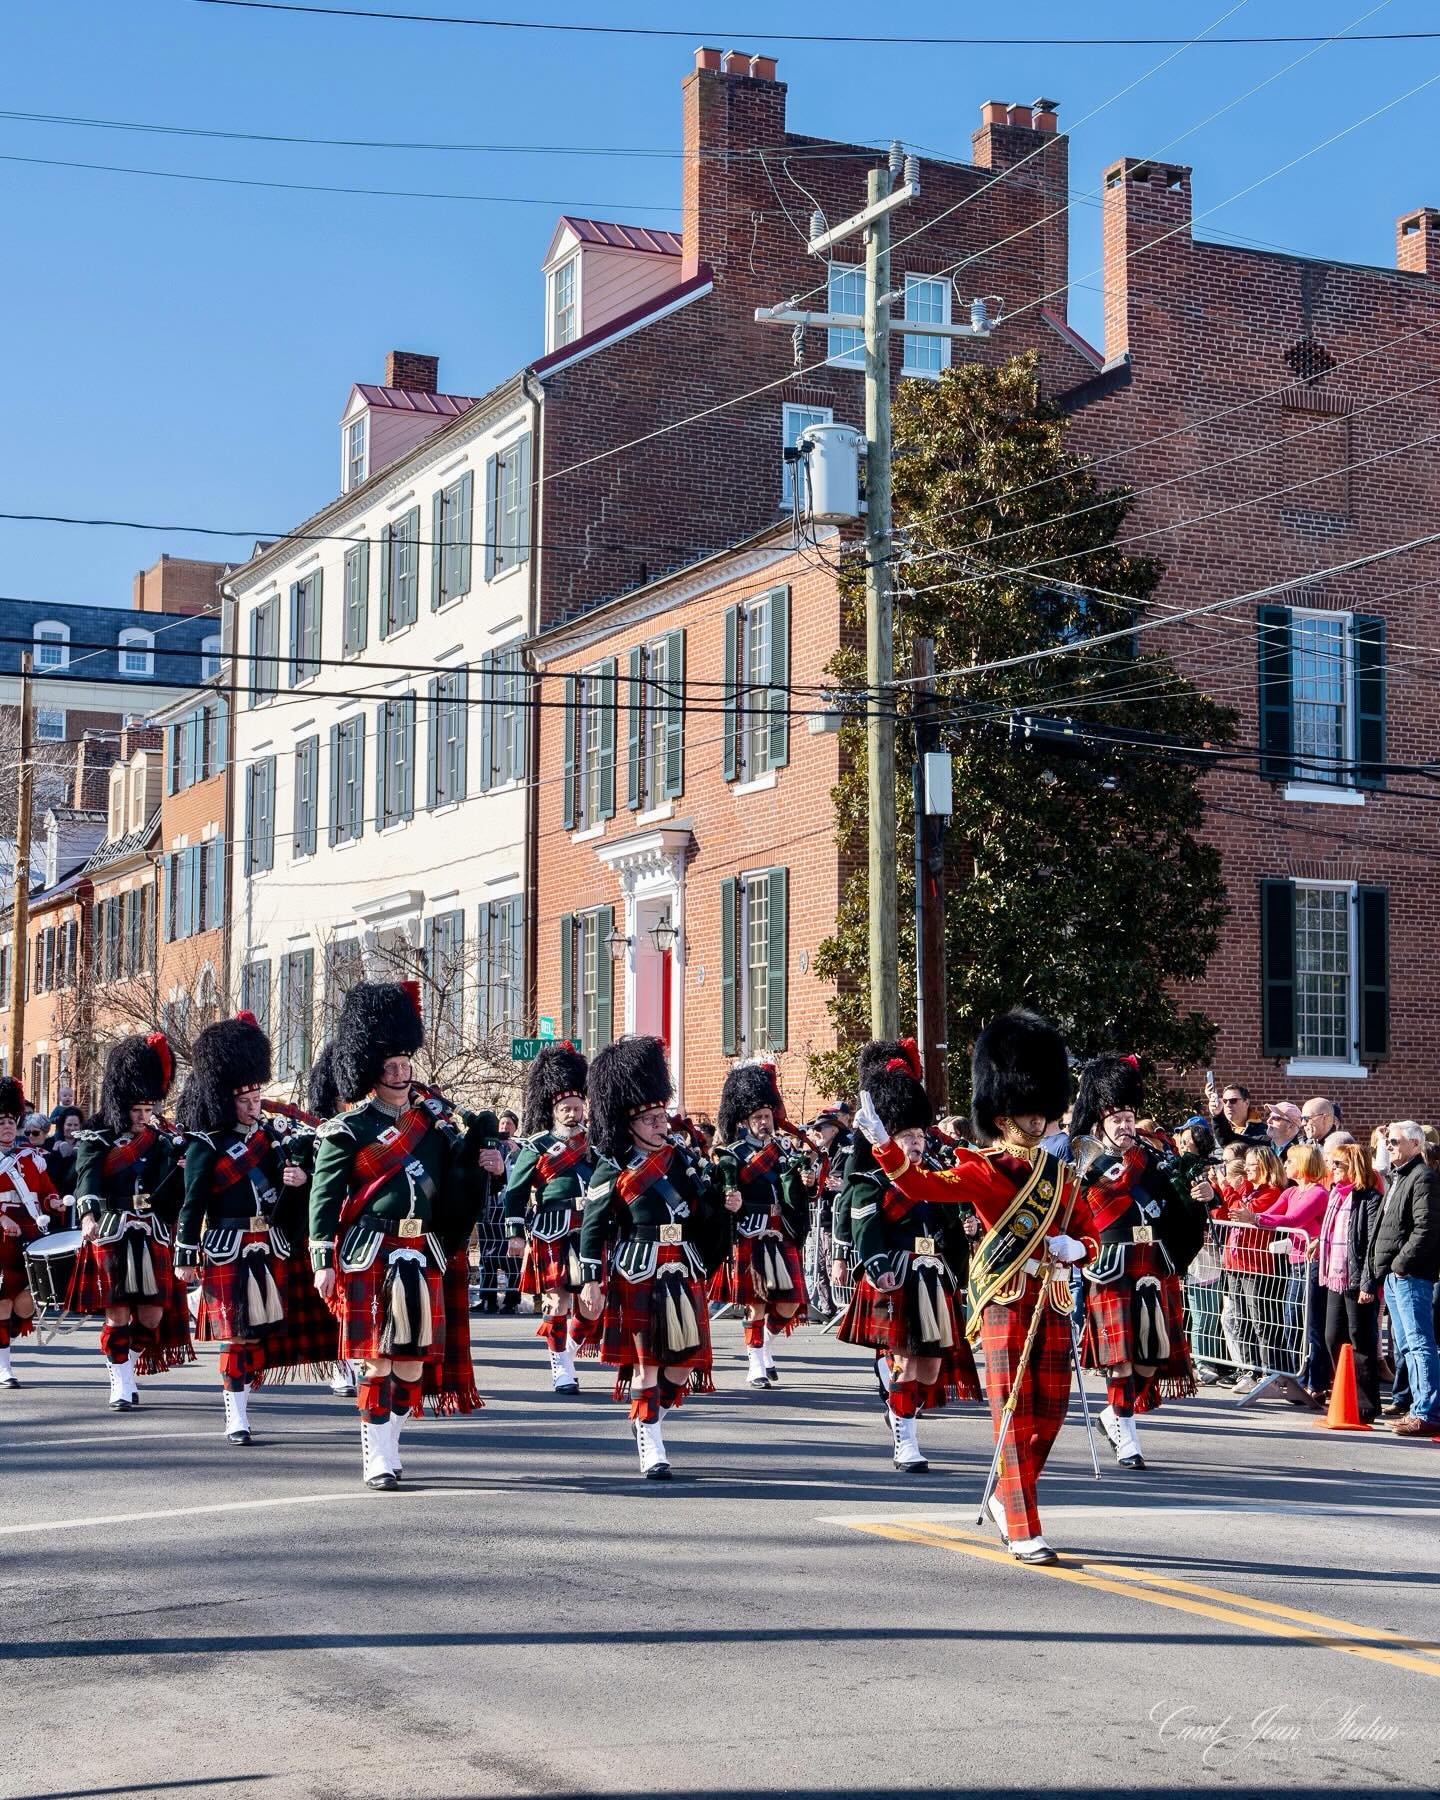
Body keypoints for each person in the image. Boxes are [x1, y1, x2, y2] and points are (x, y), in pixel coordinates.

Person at [856, 1010, 1096, 1565]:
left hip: (1053, 1299)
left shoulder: (1061, 1175)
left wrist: (1078, 1249)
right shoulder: (984, 1169)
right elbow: (921, 1185)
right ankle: (1024, 1525)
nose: (1038, 1120)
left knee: (1051, 1412)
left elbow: (1091, 1234)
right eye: (1028, 1111)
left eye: (1043, 1111)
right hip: (1007, 1299)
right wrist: (883, 1144)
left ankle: (1006, 1494)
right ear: (1002, 1114)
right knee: (1013, 1412)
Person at [309, 982, 496, 1489]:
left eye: (404, 1064)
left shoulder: (435, 1126)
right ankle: (378, 1457)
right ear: (371, 1070)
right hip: (371, 1249)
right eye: (390, 1066)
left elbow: (458, 1181)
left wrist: (487, 1162)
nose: (399, 1074)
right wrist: (323, 1261)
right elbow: (323, 1198)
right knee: (378, 1361)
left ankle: (389, 1441)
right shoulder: (347, 1129)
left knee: (411, 1367)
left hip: (420, 1249)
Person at [579, 1034, 728, 1479]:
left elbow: (704, 1212)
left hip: (682, 1263)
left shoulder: (683, 1160)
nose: (661, 1125)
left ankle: (648, 1419)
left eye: (662, 1116)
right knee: (648, 1363)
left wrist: (723, 1204)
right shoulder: (612, 1167)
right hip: (638, 1267)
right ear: (631, 1124)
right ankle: (652, 1443)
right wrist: (590, 1279)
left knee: (683, 1364)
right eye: (651, 1119)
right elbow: (593, 1225)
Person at [836, 1044, 981, 1473]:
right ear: (890, 1142)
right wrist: (877, 1268)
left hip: (934, 1277)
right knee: (906, 1361)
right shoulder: (872, 1181)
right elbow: (866, 1229)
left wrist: (962, 1257)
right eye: (907, 1137)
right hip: (899, 1276)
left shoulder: (935, 1177)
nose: (916, 1143)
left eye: (919, 1136)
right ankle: (906, 1441)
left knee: (931, 1369)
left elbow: (950, 1231)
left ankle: (900, 1410)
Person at [173, 1014, 307, 1446]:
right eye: (245, 1100)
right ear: (226, 1101)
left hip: (269, 1243)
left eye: (256, 1098)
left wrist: (299, 1181)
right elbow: (192, 1202)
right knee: (235, 1335)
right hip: (226, 1244)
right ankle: (236, 1416)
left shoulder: (272, 1139)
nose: (254, 1106)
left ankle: (244, 1402)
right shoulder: (206, 1145)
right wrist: (185, 1254)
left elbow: (286, 1194)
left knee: (257, 1337)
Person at [1068, 1056, 1200, 1471]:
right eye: (1117, 1119)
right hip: (1109, 1265)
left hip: (1152, 1265)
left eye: (1129, 1118)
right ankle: (1126, 1432)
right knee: (1120, 1356)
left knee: (1150, 1356)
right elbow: (1068, 1213)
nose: (1126, 1126)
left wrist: (1201, 1200)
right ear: (1100, 1122)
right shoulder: (1084, 1162)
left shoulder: (1153, 1160)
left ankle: (1114, 1414)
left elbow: (1177, 1212)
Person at [67, 1033, 191, 1410]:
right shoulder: (97, 1136)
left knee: (152, 1316)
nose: (142, 1117)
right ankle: (120, 1381)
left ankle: (127, 1366)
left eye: (148, 1109)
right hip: (112, 1229)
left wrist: (180, 1169)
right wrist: (88, 1215)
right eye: (136, 1110)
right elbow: (86, 1177)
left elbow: (171, 1194)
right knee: (118, 1311)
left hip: (151, 1230)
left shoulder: (162, 1139)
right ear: (122, 1104)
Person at [503, 1040, 601, 1394]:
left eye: (577, 1107)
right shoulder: (537, 1145)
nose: (572, 1113)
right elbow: (515, 1192)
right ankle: (560, 1366)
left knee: (592, 1305)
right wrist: (515, 1233)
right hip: (552, 1228)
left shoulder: (596, 1143)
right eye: (566, 1108)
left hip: (590, 1227)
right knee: (558, 1300)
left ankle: (567, 1351)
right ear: (554, 1110)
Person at [710, 1062, 809, 1388]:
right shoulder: (733, 1154)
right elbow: (724, 1189)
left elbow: (796, 1193)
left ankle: (765, 1342)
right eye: (758, 1117)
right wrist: (731, 1198)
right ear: (745, 1121)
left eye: (767, 1116)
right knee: (756, 1302)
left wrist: (805, 1182)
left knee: (790, 1302)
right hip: (750, 1230)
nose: (764, 1122)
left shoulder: (784, 1150)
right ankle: (755, 1364)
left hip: (781, 1229)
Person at [1361, 1121, 1440, 1438]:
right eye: (1387, 1141)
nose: (1389, 1145)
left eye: (1394, 1141)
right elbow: (1385, 1228)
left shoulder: (1423, 1178)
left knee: (1420, 1344)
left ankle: (1427, 1412)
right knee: (1407, 1346)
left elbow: (1426, 1228)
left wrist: (1401, 1265)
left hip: (1411, 1276)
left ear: (1415, 1145)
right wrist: (1378, 1274)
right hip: (1396, 1278)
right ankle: (1419, 1408)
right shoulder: (1399, 1177)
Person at [1234, 1141, 1330, 1399]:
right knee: (1291, 1321)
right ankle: (1297, 1376)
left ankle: (1315, 1382)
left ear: (1304, 1164)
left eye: (1290, 1161)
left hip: (1312, 1264)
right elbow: (1269, 1214)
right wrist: (1251, 1214)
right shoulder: (1291, 1192)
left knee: (1310, 1324)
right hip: (1295, 1263)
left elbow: (1293, 1220)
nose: (1284, 1165)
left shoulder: (1318, 1193)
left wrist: (1255, 1218)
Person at [0, 1078, 67, 1387]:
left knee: (27, 1302)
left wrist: (54, 1201)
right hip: (2, 1235)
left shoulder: (31, 1156)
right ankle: (5, 1367)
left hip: (30, 1233)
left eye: (10, 1121)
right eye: (1, 1122)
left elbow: (46, 1190)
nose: (7, 1126)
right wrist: (2, 1218)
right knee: (2, 1300)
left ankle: (5, 1340)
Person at [1318, 1139, 1382, 1423]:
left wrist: (1368, 1284)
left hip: (1357, 1278)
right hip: (1336, 1276)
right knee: (1332, 1335)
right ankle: (1343, 1392)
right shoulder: (1336, 1195)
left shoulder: (1370, 1199)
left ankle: (1366, 1404)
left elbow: (1370, 1246)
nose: (1332, 1169)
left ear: (1353, 1167)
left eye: (1338, 1164)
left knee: (1361, 1339)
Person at [1214, 1143, 1286, 1393]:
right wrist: (1215, 1189)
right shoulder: (1246, 1188)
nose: (1246, 1169)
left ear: (1265, 1166)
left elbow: (1242, 1213)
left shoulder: (1272, 1192)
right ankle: (1249, 1370)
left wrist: (1226, 1187)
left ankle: (1269, 1371)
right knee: (1241, 1320)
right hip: (1234, 1262)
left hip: (1256, 1265)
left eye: (1252, 1165)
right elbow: (1225, 1213)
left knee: (1261, 1321)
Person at [1205, 1080, 1267, 1150]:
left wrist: (1218, 1116)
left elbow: (1230, 1141)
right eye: (1225, 1101)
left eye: (1233, 1100)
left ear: (1246, 1103)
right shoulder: (1218, 1128)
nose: (1228, 1105)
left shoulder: (1264, 1132)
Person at [44, 1106, 84, 1204]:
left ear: (80, 1126)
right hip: (56, 1195)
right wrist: (55, 1153)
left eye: (76, 1125)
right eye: (69, 1125)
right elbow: (48, 1172)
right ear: (62, 1125)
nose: (72, 1128)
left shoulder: (84, 1145)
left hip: (77, 1195)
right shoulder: (50, 1143)